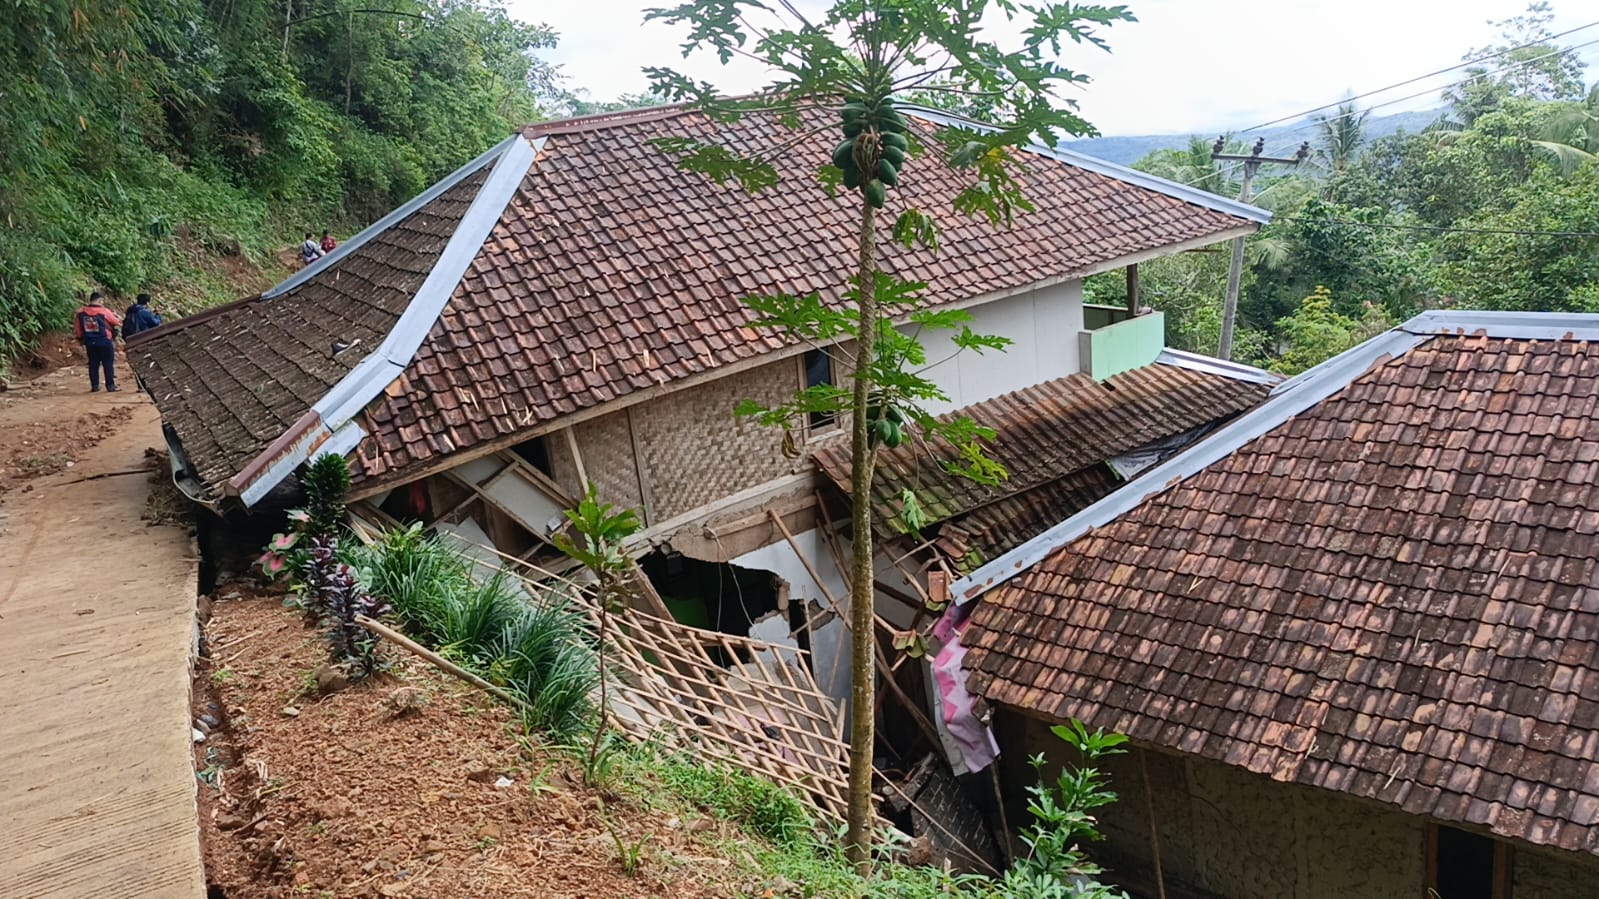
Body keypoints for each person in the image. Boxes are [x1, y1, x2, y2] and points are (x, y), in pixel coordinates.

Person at [74, 291, 121, 393]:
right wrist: (116, 316)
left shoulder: (81, 313)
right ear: (100, 301)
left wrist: (81, 339)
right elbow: (116, 322)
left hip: (90, 342)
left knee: (93, 364)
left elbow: (78, 330)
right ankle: (110, 386)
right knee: (108, 363)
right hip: (105, 341)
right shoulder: (104, 312)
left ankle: (95, 386)